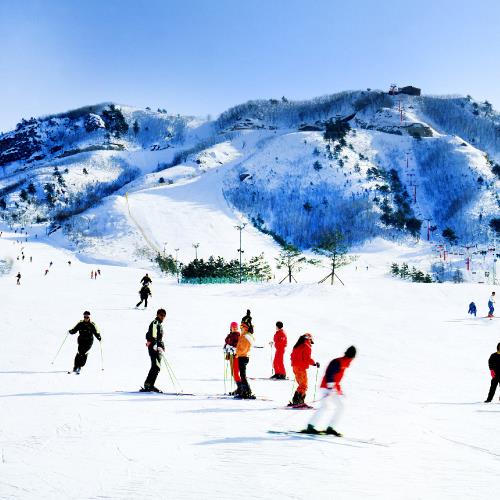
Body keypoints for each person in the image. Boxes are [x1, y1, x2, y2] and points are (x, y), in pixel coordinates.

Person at [303, 346, 357, 435]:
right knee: (325, 407)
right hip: (326, 388)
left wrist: (339, 390)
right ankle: (310, 426)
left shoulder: (345, 363)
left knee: (341, 407)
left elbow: (337, 378)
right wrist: (330, 387)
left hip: (332, 389)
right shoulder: (338, 361)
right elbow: (329, 373)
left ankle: (330, 428)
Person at [289, 333, 319, 406]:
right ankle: (299, 401)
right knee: (303, 385)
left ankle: (296, 400)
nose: (311, 342)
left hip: (295, 367)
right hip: (301, 367)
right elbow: (307, 359)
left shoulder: (297, 345)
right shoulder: (306, 346)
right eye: (310, 340)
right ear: (309, 339)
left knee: (301, 384)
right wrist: (314, 363)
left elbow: (292, 356)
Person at [141, 308, 166, 392]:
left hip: (157, 348)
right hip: (154, 347)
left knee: (156, 367)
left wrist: (162, 347)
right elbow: (153, 335)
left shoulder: (159, 324)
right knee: (156, 366)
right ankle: (148, 385)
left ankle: (150, 384)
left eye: (164, 316)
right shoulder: (155, 323)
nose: (162, 317)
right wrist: (155, 345)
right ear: (157, 314)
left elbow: (159, 338)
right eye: (161, 315)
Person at [235, 321, 255, 399]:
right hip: (242, 356)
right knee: (242, 375)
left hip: (243, 357)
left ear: (245, 328)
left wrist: (237, 352)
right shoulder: (243, 336)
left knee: (243, 375)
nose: (240, 329)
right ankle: (245, 390)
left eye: (242, 327)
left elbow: (243, 349)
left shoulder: (246, 337)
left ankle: (247, 391)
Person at [224, 321, 241, 394]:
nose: (234, 329)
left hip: (236, 356)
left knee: (235, 372)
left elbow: (237, 344)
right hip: (231, 356)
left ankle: (240, 388)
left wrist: (232, 347)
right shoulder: (229, 335)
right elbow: (226, 343)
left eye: (235, 327)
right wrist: (226, 348)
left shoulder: (237, 335)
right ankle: (239, 387)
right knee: (233, 372)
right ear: (230, 328)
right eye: (233, 327)